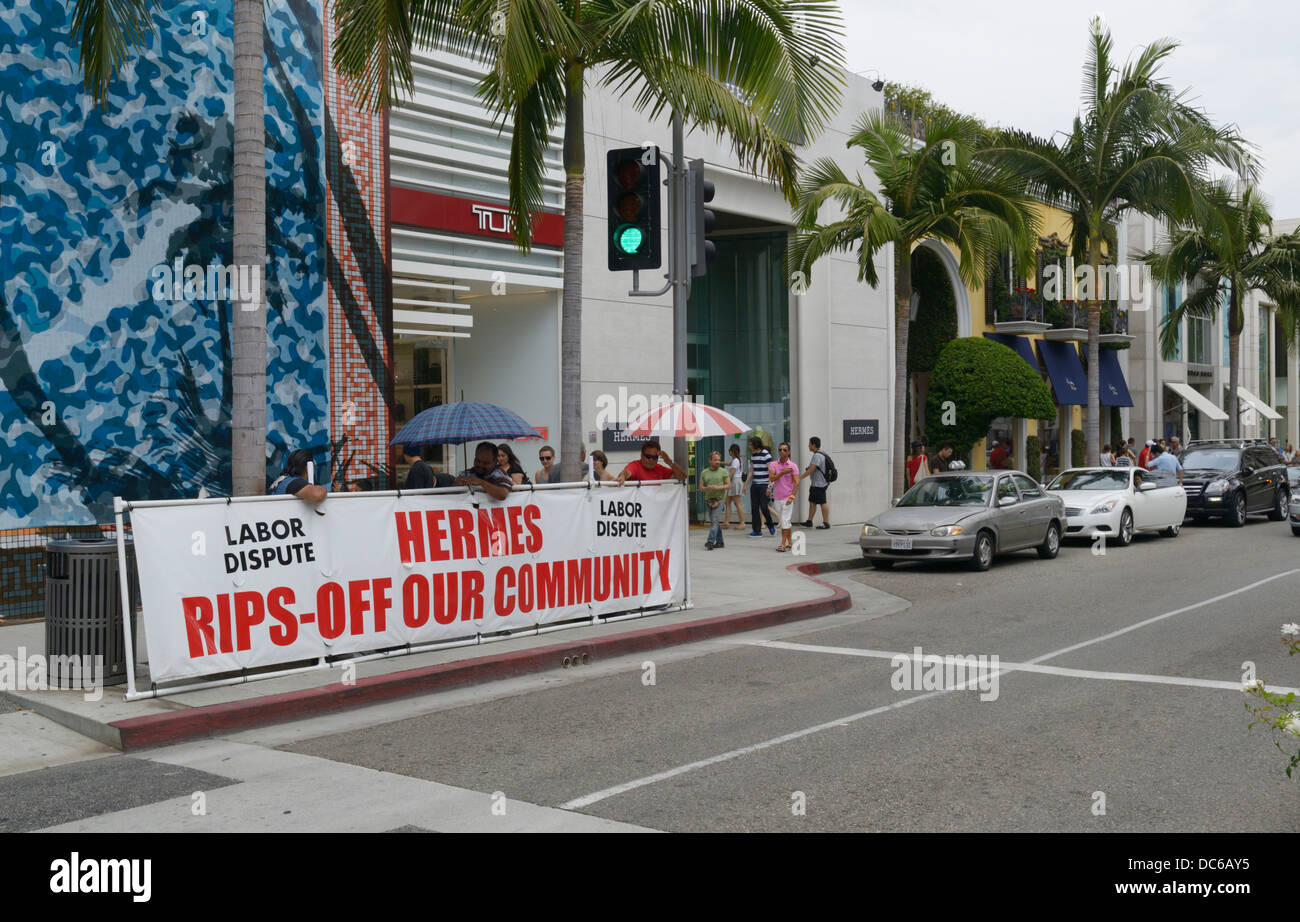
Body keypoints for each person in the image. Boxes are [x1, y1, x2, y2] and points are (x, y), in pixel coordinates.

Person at [768, 443, 801, 551]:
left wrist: (792, 496)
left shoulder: (793, 466)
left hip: (788, 497)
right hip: (777, 497)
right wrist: (783, 472)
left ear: (789, 452)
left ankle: (782, 544)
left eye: (785, 450)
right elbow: (772, 478)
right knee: (785, 520)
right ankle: (790, 542)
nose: (782, 451)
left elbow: (797, 482)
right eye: (780, 449)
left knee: (784, 520)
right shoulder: (773, 464)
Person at [743, 436, 777, 537]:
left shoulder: (766, 455)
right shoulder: (753, 456)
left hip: (764, 485)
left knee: (764, 507)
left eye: (750, 444)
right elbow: (751, 471)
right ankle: (757, 531)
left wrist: (770, 487)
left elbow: (771, 472)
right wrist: (745, 485)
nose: (749, 446)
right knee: (754, 508)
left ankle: (770, 525)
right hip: (755, 485)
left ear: (755, 444)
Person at [617, 440, 685, 484]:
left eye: (655, 457)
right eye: (648, 456)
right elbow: (626, 472)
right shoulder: (635, 466)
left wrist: (669, 462)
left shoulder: (660, 469)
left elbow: (682, 476)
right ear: (641, 455)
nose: (651, 460)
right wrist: (622, 476)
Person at [700, 451, 730, 550]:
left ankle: (710, 541)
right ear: (710, 460)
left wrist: (718, 487)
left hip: (719, 499)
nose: (717, 462)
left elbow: (728, 485)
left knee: (714, 521)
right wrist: (707, 488)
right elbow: (701, 487)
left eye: (719, 460)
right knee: (715, 522)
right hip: (709, 499)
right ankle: (720, 542)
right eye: (715, 460)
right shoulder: (704, 472)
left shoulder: (723, 471)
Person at [800, 436, 831, 528]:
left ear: (813, 444)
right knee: (812, 502)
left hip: (819, 484)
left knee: (822, 502)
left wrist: (800, 477)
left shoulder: (817, 455)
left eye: (809, 444)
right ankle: (809, 521)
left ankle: (826, 523)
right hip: (816, 483)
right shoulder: (821, 453)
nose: (808, 446)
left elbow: (812, 468)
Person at [725, 444, 746, 530]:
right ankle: (726, 521)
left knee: (737, 503)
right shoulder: (737, 459)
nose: (728, 451)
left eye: (729, 450)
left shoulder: (736, 461)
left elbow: (731, 473)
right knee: (727, 502)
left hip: (735, 482)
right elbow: (728, 463)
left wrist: (725, 483)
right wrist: (719, 462)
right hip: (735, 482)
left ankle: (742, 523)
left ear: (732, 451)